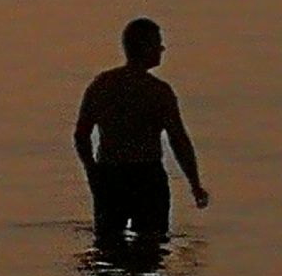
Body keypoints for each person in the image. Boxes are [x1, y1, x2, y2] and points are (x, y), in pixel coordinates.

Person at [74, 20, 205, 259]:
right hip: (147, 179)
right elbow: (179, 141)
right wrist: (194, 184)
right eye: (157, 43)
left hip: (110, 177)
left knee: (108, 248)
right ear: (144, 47)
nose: (162, 49)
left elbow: (81, 135)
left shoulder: (102, 85)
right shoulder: (158, 91)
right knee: (151, 250)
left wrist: (93, 171)